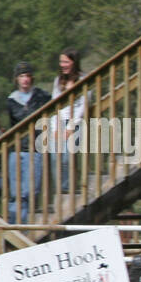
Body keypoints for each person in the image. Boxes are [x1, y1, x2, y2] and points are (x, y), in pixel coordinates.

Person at [6, 62, 51, 222]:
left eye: (27, 76)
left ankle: (26, 226)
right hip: (17, 149)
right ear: (16, 79)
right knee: (15, 194)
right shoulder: (11, 100)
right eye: (21, 76)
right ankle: (14, 227)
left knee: (30, 191)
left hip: (35, 149)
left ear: (32, 78)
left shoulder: (42, 97)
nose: (24, 79)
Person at [50, 48, 85, 194]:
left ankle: (68, 188)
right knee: (54, 158)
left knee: (66, 158)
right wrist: (55, 127)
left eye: (66, 61)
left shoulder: (83, 79)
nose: (62, 64)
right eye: (61, 62)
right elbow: (54, 104)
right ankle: (60, 189)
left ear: (74, 62)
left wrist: (71, 127)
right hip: (58, 122)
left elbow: (83, 106)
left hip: (75, 122)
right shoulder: (58, 81)